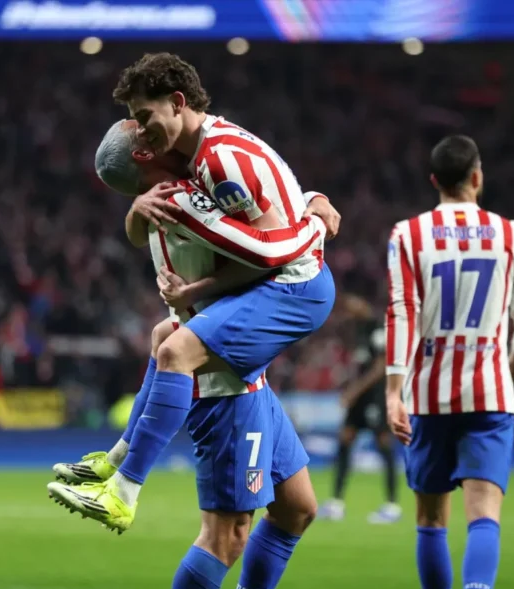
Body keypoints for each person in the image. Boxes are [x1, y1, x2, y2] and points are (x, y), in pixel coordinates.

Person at [52, 128, 322, 589]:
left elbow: (159, 230)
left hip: (243, 374)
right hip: (225, 386)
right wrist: (313, 218)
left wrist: (133, 211)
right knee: (226, 536)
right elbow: (265, 253)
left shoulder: (157, 204)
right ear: (146, 156)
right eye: (144, 130)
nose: (157, 132)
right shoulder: (186, 198)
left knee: (297, 507)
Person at [49, 53, 339, 529]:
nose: (142, 131)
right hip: (268, 285)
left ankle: (124, 487)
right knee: (295, 512)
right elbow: (263, 223)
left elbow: (269, 251)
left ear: (178, 102)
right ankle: (117, 461)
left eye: (143, 118)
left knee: (176, 350)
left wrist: (312, 219)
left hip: (294, 283)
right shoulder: (188, 171)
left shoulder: (211, 166)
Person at [385, 135, 514, 589]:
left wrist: (394, 389)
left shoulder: (407, 234)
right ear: (477, 176)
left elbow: (402, 313)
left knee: (431, 518)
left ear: (434, 182)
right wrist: (513, 366)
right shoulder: (510, 233)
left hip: (429, 394)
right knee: (484, 515)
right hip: (490, 391)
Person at [321, 295, 399, 524]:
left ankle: (392, 505)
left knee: (384, 444)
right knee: (345, 440)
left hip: (375, 396)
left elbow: (381, 366)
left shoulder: (377, 328)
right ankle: (336, 503)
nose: (348, 313)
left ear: (362, 305)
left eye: (351, 308)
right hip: (359, 398)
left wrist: (353, 391)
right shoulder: (357, 330)